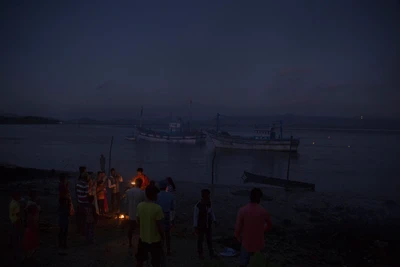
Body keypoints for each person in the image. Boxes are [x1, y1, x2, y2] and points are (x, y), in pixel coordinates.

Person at [234, 188, 272, 267]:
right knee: (258, 263)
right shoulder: (263, 211)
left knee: (243, 264)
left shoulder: (242, 210)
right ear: (259, 198)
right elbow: (269, 225)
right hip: (259, 243)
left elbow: (238, 228)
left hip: (246, 242)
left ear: (250, 197)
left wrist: (238, 237)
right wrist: (262, 230)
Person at [136, 184, 164, 267]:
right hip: (155, 240)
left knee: (140, 260)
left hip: (143, 238)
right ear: (153, 195)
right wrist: (163, 238)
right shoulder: (157, 208)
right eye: (156, 194)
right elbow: (160, 226)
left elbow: (138, 221)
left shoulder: (140, 206)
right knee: (156, 262)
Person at [193, 189, 217, 260]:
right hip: (201, 226)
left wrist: (214, 220)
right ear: (205, 196)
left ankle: (211, 253)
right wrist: (195, 227)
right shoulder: (198, 206)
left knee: (209, 239)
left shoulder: (208, 204)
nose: (209, 196)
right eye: (208, 195)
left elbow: (211, 212)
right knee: (200, 240)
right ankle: (200, 254)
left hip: (208, 225)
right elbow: (195, 217)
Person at [156, 180, 175, 256]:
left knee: (159, 233)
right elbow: (172, 208)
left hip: (159, 215)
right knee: (167, 234)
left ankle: (160, 249)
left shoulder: (157, 195)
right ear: (166, 187)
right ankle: (168, 250)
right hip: (167, 215)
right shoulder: (170, 196)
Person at [126, 178, 146, 249]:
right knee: (141, 230)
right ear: (141, 184)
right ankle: (141, 243)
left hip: (131, 213)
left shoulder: (128, 191)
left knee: (130, 229)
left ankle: (130, 243)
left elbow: (126, 202)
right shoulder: (142, 192)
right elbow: (144, 203)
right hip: (139, 214)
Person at [10, 191, 22, 263]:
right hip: (16, 221)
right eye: (18, 196)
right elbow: (18, 214)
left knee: (14, 233)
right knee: (17, 235)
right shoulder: (16, 204)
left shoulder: (12, 202)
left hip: (12, 220)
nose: (19, 197)